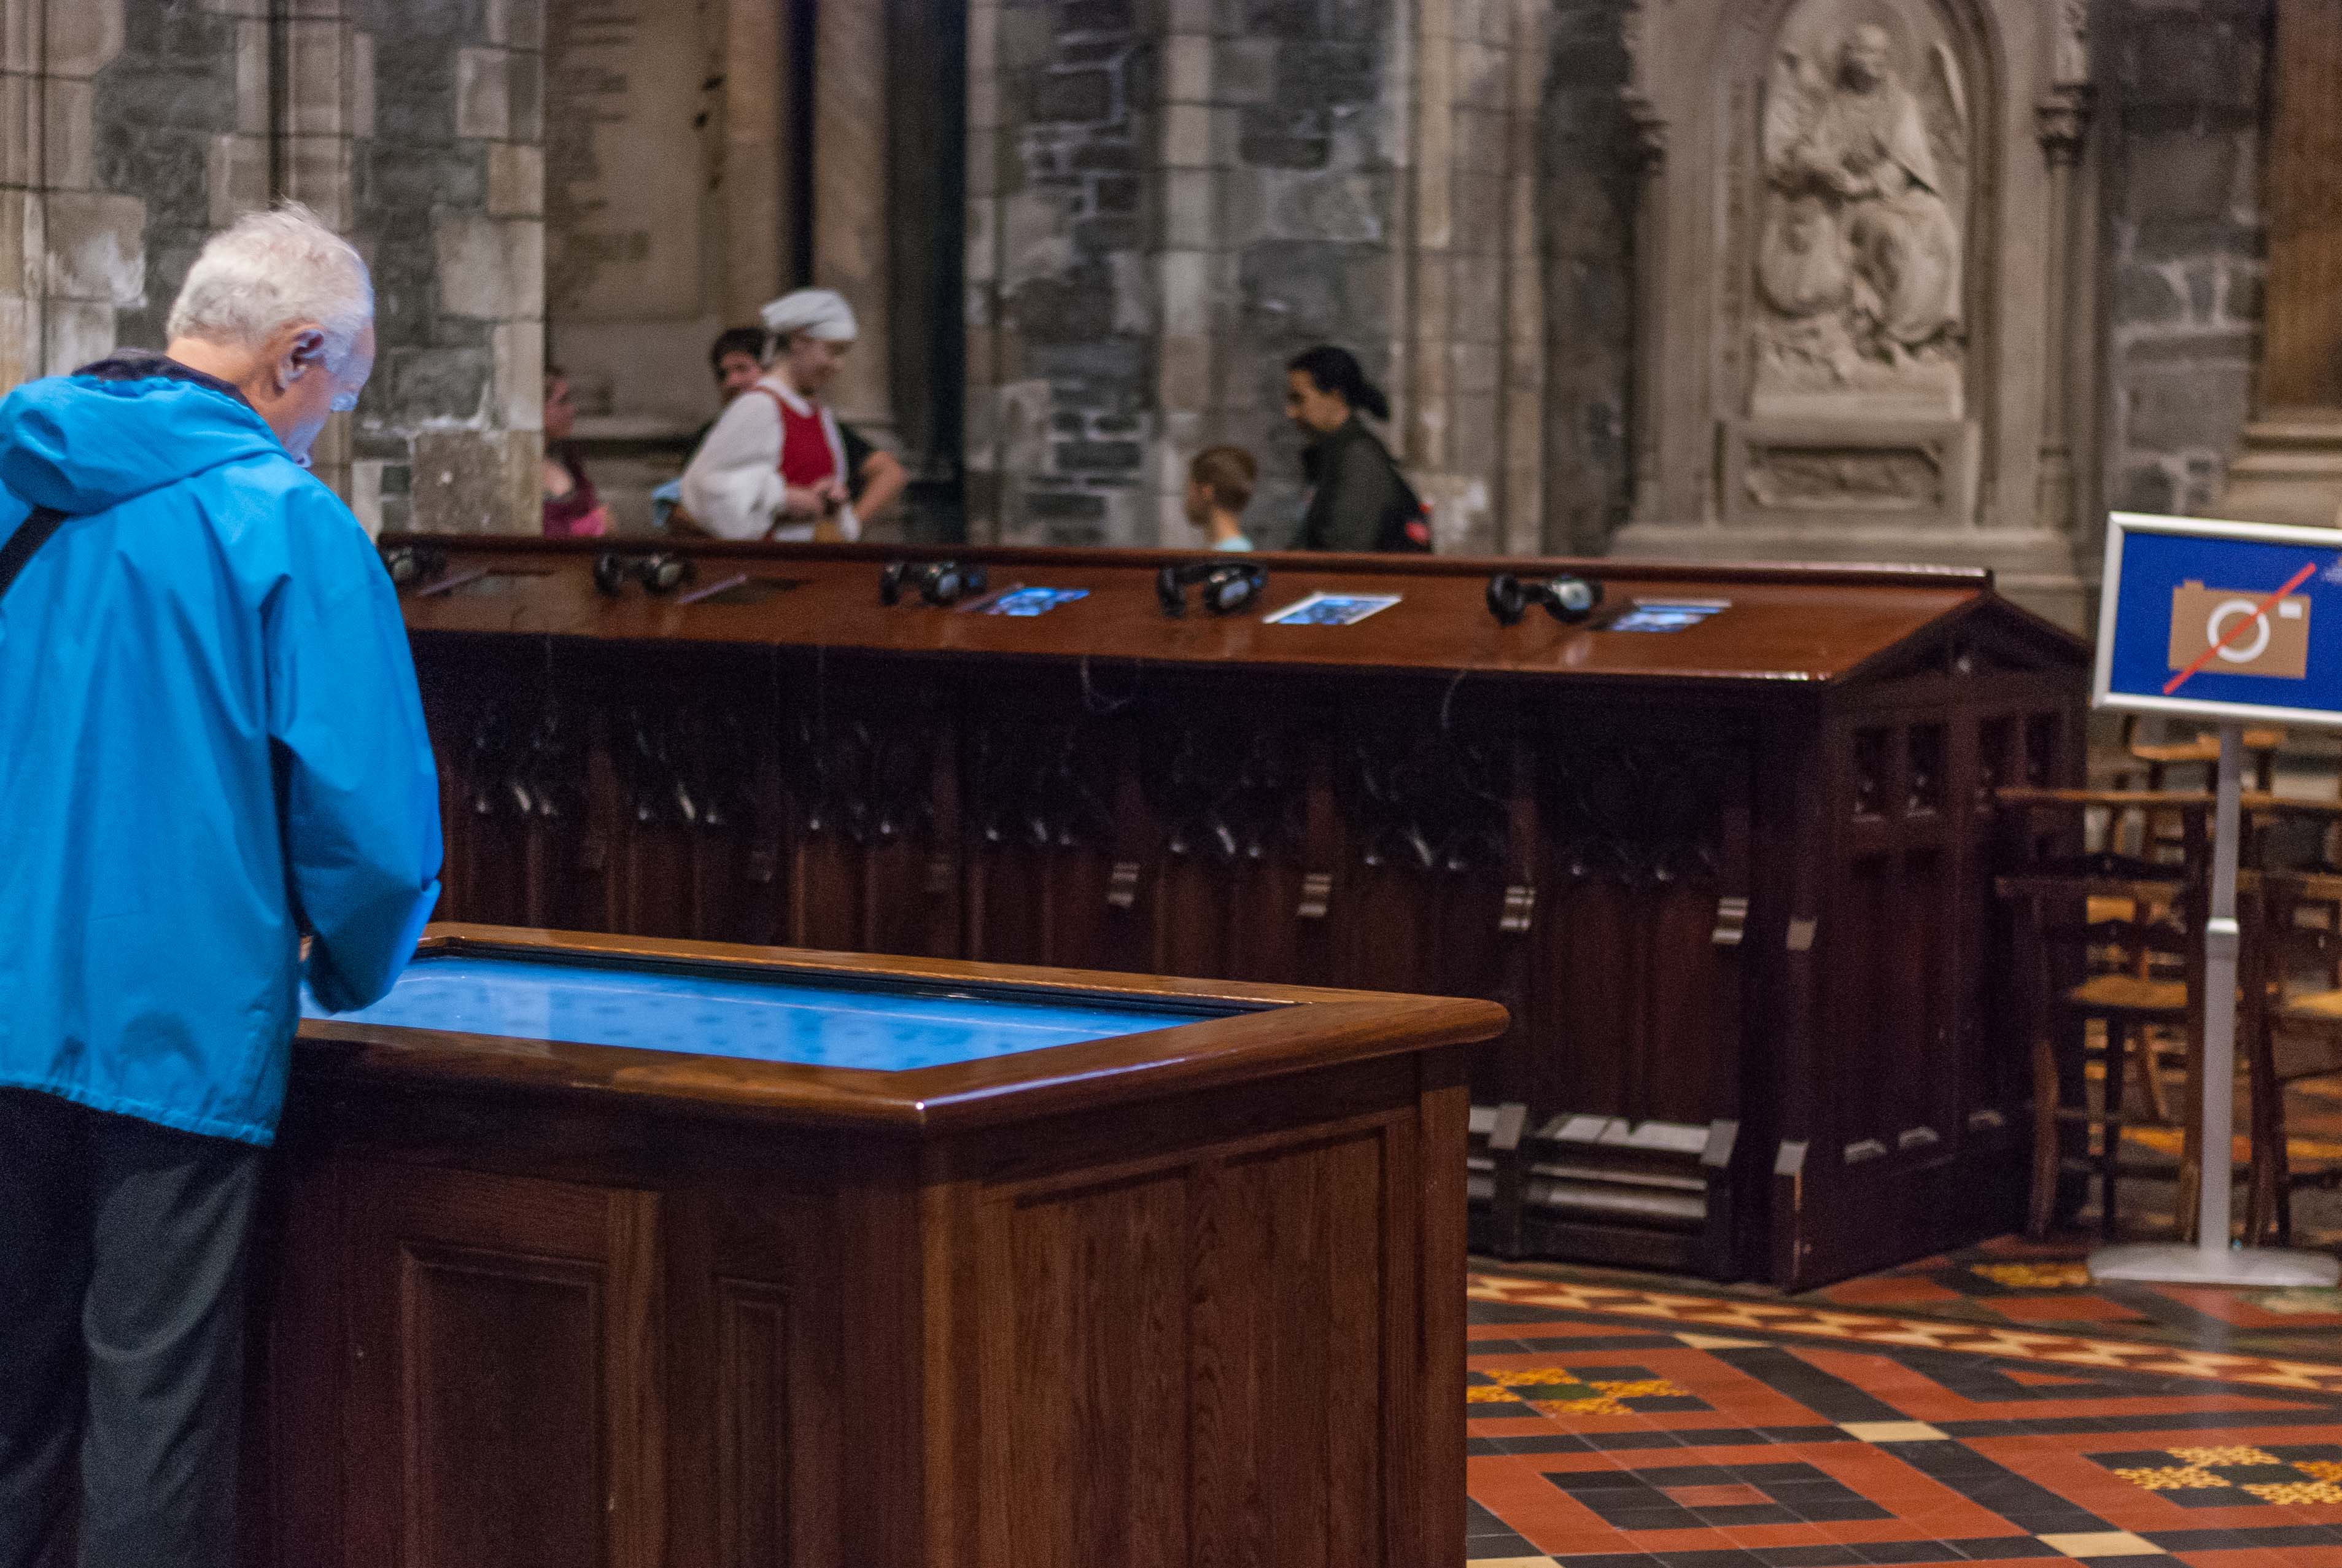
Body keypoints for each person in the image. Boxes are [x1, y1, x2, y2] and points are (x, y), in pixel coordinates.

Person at [0, 204, 442, 1568]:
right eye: (338, 395)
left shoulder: (17, 475)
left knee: (8, 1405)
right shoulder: (285, 521)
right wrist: (353, 963)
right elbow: (371, 826)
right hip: (173, 1025)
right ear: (294, 353)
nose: (324, 428)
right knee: (157, 1410)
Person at [679, 287, 908, 541]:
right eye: (833, 351)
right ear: (801, 341)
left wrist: (830, 502)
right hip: (768, 561)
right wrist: (781, 497)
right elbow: (704, 486)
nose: (837, 365)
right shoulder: (760, 406)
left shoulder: (818, 413)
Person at [1284, 344, 1431, 553]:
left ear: (1335, 397)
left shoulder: (1359, 457)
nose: (1291, 412)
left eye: (1299, 399)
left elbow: (1345, 551)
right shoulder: (1338, 454)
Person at [541, 365, 608, 538]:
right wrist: (587, 527)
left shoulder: (568, 460)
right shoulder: (518, 470)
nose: (572, 410)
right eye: (562, 401)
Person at [1184, 445, 1257, 551]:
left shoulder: (1228, 556)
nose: (1188, 499)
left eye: (1190, 489)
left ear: (1206, 492)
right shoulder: (1242, 553)